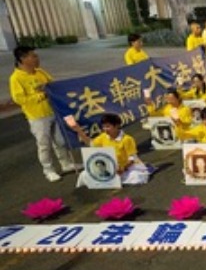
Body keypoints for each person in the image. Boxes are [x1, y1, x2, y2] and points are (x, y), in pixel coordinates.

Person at [10, 46, 77, 181]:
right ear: (22, 59)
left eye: (36, 56)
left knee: (60, 140)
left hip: (52, 111)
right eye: (33, 56)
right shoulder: (16, 78)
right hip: (37, 117)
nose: (36, 58)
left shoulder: (40, 72)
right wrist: (41, 96)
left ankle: (66, 163)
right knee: (44, 144)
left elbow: (53, 86)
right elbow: (19, 99)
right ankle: (48, 170)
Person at [73, 112, 149, 187]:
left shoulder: (127, 139)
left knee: (136, 177)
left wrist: (123, 168)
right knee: (84, 174)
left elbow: (132, 158)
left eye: (108, 126)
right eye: (104, 127)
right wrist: (78, 130)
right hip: (108, 167)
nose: (105, 129)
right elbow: (91, 144)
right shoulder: (103, 137)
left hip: (125, 167)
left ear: (117, 126)